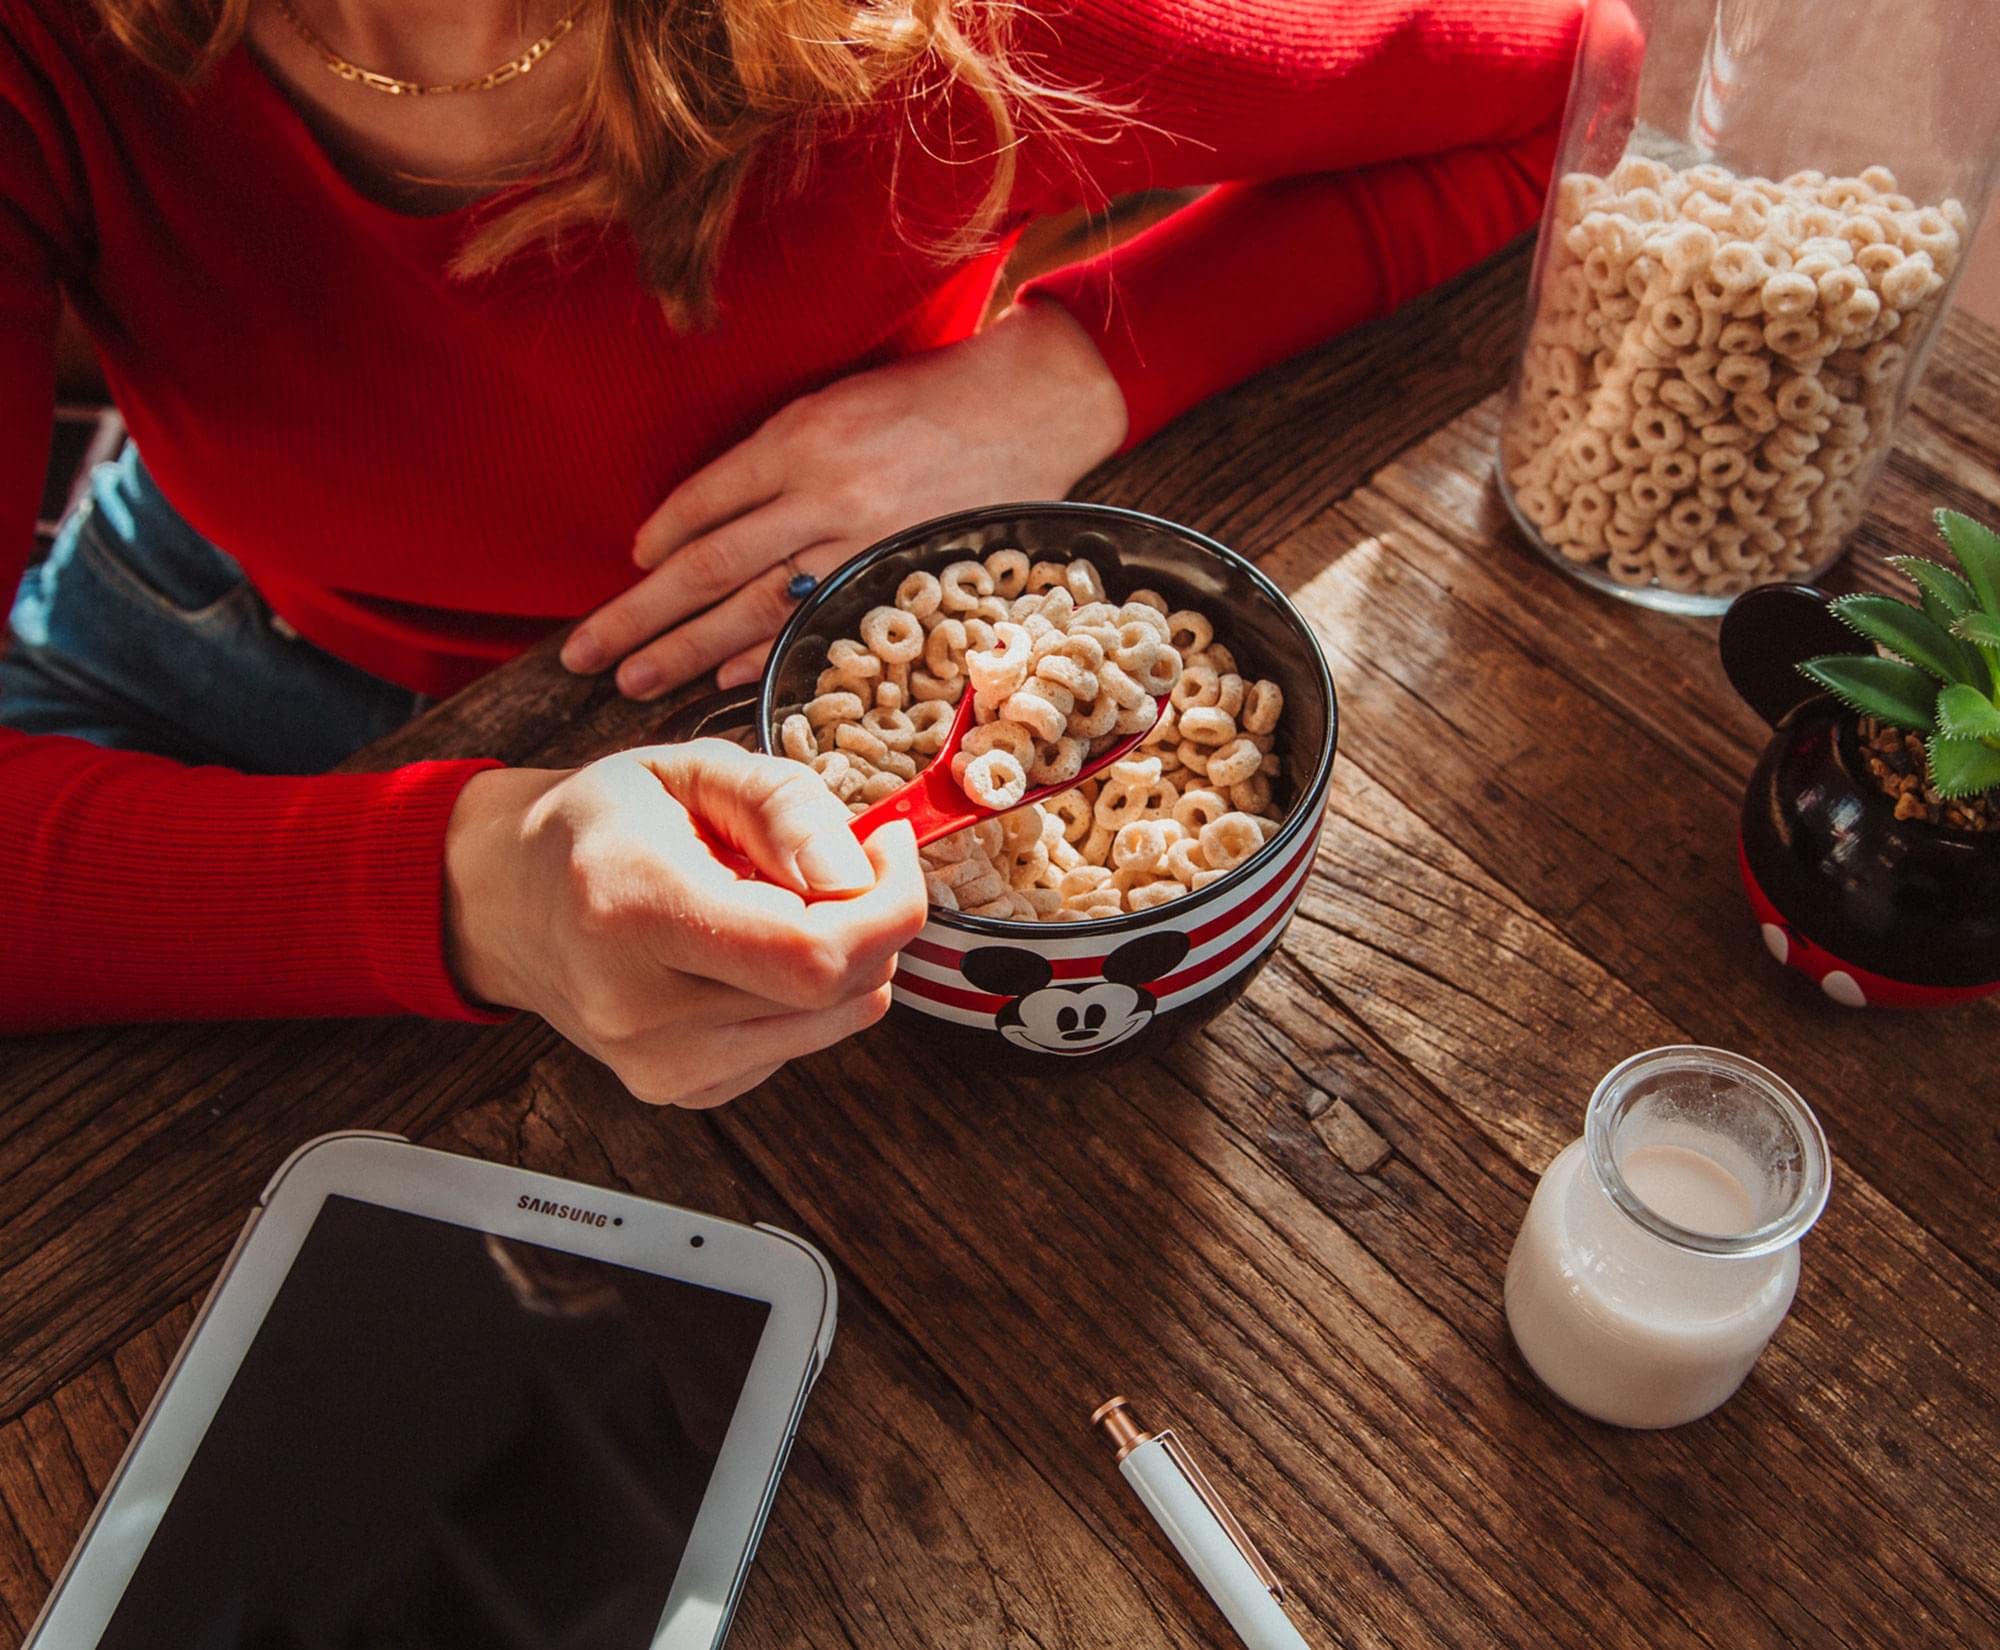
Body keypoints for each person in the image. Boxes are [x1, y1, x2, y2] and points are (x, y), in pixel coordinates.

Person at [0, 0, 1582, 1102]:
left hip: (765, 741)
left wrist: (1075, 365)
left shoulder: (947, 28)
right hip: (184, 651)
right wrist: (475, 886)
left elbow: (1577, 80)